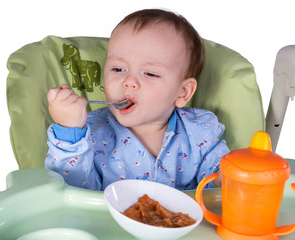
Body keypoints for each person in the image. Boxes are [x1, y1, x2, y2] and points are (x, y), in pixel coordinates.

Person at [45, 9, 230, 191]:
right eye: (118, 69)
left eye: (150, 73)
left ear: (182, 92)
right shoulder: (89, 134)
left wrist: (227, 179)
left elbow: (220, 183)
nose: (129, 82)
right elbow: (70, 190)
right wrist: (69, 131)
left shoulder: (200, 132)